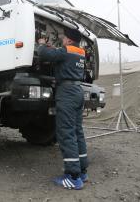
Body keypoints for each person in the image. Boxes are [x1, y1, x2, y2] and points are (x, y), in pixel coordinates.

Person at [38, 28, 88, 190]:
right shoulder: (81, 53)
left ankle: (73, 177)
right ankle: (82, 171)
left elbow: (45, 55)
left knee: (66, 133)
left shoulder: (66, 50)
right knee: (77, 131)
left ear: (69, 40)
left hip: (66, 93)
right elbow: (61, 56)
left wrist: (41, 44)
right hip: (78, 92)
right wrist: (55, 49)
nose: (63, 40)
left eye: (64, 38)